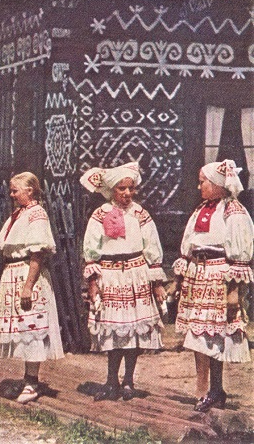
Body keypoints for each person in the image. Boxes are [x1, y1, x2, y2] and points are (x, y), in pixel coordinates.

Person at [80, 162, 166, 401]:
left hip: (136, 274)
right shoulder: (100, 215)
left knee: (133, 331)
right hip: (111, 275)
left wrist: (157, 283)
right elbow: (91, 250)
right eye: (122, 189)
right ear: (111, 190)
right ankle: (111, 381)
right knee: (115, 330)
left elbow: (152, 247)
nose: (127, 193)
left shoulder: (141, 214)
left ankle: (128, 379)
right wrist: (93, 283)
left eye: (131, 188)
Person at [172, 159, 253, 412]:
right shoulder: (201, 209)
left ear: (218, 184)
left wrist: (233, 294)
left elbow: (239, 256)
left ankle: (212, 390)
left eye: (203, 182)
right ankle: (207, 390)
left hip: (219, 277)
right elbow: (189, 245)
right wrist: (180, 280)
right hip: (198, 276)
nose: (199, 187)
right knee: (200, 336)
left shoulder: (233, 212)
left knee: (214, 337)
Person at [0, 172, 64, 404]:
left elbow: (37, 252)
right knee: (22, 330)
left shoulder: (37, 214)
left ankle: (32, 382)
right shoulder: (19, 214)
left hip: (27, 274)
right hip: (13, 273)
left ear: (30, 190)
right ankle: (27, 379)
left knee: (32, 331)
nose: (12, 194)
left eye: (16, 190)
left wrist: (28, 286)